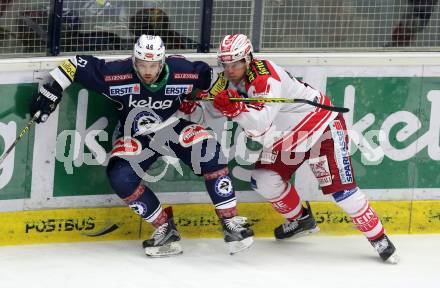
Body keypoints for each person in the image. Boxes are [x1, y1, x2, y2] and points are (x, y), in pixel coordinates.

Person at [29, 34, 254, 257]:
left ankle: (230, 222)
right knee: (120, 177)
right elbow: (75, 65)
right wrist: (52, 91)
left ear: (162, 62)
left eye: (153, 65)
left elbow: (215, 81)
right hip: (135, 135)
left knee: (210, 152)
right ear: (134, 61)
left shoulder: (183, 70)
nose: (148, 71)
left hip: (172, 126)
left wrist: (229, 96)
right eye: (142, 64)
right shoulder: (117, 74)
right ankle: (165, 228)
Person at [205, 33, 399, 263]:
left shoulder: (266, 79)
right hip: (287, 137)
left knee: (343, 192)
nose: (230, 70)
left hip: (321, 128)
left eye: (235, 63)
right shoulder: (229, 79)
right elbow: (209, 99)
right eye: (225, 64)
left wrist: (235, 110)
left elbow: (259, 126)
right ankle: (301, 219)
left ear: (249, 59)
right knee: (264, 179)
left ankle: (379, 238)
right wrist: (193, 101)